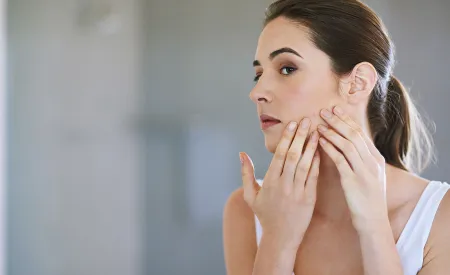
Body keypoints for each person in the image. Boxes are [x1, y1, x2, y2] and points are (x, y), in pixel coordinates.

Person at [222, 0, 450, 274]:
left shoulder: (438, 216)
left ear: (357, 83)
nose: (257, 92)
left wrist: (374, 226)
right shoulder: (247, 211)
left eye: (287, 69)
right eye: (258, 74)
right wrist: (276, 240)